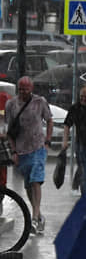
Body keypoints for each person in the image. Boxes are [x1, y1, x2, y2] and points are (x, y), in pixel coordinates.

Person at [5, 76, 53, 234]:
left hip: (38, 148)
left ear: (31, 89)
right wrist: (13, 151)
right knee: (28, 184)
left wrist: (47, 141)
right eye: (20, 89)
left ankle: (33, 218)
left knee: (35, 181)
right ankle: (38, 215)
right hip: (21, 150)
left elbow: (50, 120)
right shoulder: (11, 104)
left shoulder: (40, 102)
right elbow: (9, 131)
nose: (23, 92)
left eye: (26, 89)